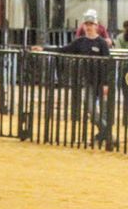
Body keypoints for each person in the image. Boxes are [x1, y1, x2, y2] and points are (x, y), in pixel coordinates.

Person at [31, 11, 113, 147]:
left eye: (91, 24)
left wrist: (106, 83)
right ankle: (107, 133)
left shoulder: (102, 43)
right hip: (88, 82)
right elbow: (63, 50)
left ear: (96, 25)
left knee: (104, 112)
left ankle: (103, 134)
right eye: (86, 24)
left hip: (102, 82)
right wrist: (43, 48)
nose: (89, 27)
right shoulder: (80, 42)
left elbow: (108, 64)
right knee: (91, 110)